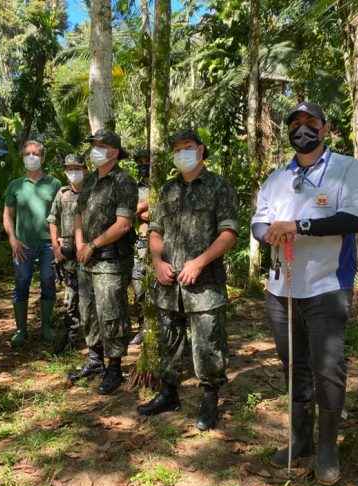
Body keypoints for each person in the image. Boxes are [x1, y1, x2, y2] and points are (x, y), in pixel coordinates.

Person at [251, 102, 358, 485]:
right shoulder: (276, 178)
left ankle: (327, 447)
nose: (303, 129)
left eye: (310, 123)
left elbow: (354, 219)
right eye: (296, 123)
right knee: (294, 367)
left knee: (328, 368)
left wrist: (298, 225)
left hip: (327, 287)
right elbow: (258, 221)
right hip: (281, 290)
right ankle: (300, 437)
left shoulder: (347, 169)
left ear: (325, 127)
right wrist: (268, 232)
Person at [137, 130, 239, 431]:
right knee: (170, 341)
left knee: (208, 343)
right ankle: (169, 393)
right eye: (177, 149)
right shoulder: (168, 190)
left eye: (188, 148)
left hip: (204, 283)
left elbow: (229, 233)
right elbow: (154, 230)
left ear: (201, 150)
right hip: (169, 284)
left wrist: (200, 261)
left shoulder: (219, 186)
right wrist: (157, 262)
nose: (182, 153)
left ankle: (210, 399)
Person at [71, 129, 138, 394]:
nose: (94, 149)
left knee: (111, 313)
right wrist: (79, 244)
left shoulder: (123, 181)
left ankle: (114, 367)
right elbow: (78, 214)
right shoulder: (88, 181)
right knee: (88, 311)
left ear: (113, 150)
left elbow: (123, 225)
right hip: (86, 259)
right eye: (93, 145)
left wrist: (93, 244)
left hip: (110, 261)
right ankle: (94, 359)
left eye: (99, 145)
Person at [3, 140, 62, 347]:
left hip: (48, 244)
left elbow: (61, 214)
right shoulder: (15, 185)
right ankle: (21, 330)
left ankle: (46, 326)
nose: (32, 157)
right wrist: (13, 239)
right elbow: (8, 215)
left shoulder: (54, 184)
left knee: (48, 281)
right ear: (22, 157)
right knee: (22, 282)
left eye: (36, 154)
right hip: (22, 244)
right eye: (28, 153)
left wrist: (58, 241)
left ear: (43, 158)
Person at [48, 154, 87, 353]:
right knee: (70, 299)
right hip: (67, 255)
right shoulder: (62, 194)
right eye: (69, 168)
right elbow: (52, 220)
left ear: (85, 169)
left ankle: (93, 341)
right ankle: (71, 340)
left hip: (89, 254)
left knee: (90, 298)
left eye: (77, 168)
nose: (73, 172)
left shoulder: (92, 192)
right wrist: (56, 247)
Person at [130, 148, 151, 345]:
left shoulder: (165, 185)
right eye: (140, 161)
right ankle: (142, 328)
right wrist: (143, 207)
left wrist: (143, 207)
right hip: (139, 243)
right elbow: (130, 211)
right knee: (139, 287)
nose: (143, 165)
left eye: (147, 161)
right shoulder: (134, 188)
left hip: (161, 244)